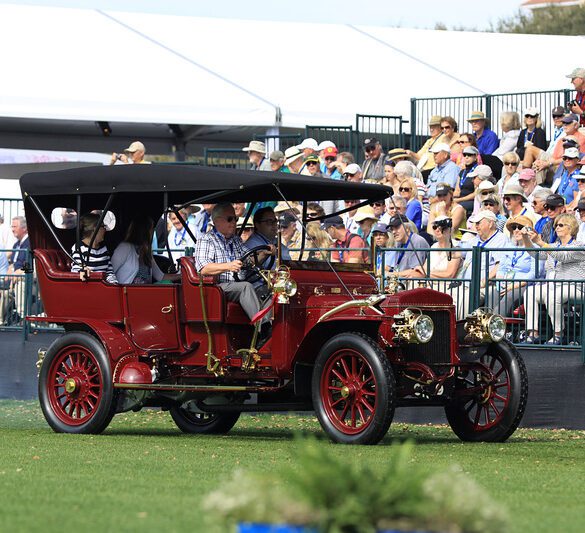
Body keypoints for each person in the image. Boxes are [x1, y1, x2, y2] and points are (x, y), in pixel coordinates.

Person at [195, 203, 271, 345]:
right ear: (217, 221)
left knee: (269, 289)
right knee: (245, 287)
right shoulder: (206, 240)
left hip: (236, 284)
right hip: (216, 287)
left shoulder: (235, 240)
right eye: (230, 219)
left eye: (235, 219)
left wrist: (264, 254)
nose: (234, 223)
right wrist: (228, 266)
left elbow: (249, 262)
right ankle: (263, 329)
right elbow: (203, 268)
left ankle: (271, 330)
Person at [523, 213, 585, 345]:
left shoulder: (579, 246)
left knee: (554, 295)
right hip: (554, 286)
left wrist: (540, 242)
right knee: (530, 292)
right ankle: (533, 333)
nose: (557, 227)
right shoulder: (553, 245)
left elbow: (563, 256)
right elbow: (536, 254)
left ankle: (558, 334)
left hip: (576, 287)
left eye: (561, 225)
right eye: (556, 225)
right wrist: (526, 238)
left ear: (571, 228)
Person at [450, 210, 510, 319]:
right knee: (447, 296)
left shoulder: (500, 239)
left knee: (464, 298)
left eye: (478, 223)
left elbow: (499, 265)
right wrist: (446, 236)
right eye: (475, 223)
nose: (476, 226)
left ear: (490, 223)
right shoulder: (475, 239)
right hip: (466, 284)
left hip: (485, 286)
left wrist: (484, 280)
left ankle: (460, 330)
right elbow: (455, 254)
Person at [487, 216, 536, 317]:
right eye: (514, 227)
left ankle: (494, 326)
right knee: (493, 294)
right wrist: (501, 282)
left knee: (509, 297)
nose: (517, 230)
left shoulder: (536, 248)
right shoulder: (509, 247)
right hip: (506, 283)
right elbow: (501, 269)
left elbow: (534, 274)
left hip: (525, 285)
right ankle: (487, 325)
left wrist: (513, 286)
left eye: (520, 227)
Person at [112, 214, 177, 285]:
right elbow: (110, 272)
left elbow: (161, 277)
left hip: (145, 292)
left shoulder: (146, 252)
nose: (153, 232)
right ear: (145, 231)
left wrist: (181, 276)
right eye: (152, 229)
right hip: (128, 293)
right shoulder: (124, 248)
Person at [411, 216, 461, 291]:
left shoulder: (456, 246)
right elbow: (423, 269)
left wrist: (426, 273)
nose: (437, 230)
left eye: (441, 227)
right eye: (435, 227)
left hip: (446, 287)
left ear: (449, 229)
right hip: (429, 283)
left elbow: (449, 275)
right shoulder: (434, 246)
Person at [70, 213, 117, 283]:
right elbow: (77, 271)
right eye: (103, 226)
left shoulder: (104, 249)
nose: (105, 230)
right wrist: (83, 271)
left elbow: (109, 273)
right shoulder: (79, 248)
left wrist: (114, 285)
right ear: (95, 229)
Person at [0, 216, 30, 324]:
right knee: (4, 294)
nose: (12, 229)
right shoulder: (16, 244)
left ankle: (24, 319)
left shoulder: (29, 244)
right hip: (12, 280)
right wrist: (10, 268)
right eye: (12, 226)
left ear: (24, 228)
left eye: (15, 226)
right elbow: (13, 263)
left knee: (19, 284)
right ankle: (0, 321)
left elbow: (32, 267)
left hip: (28, 280)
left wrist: (20, 272)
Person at [453, 145, 479, 214]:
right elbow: (457, 190)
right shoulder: (462, 172)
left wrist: (459, 200)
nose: (466, 157)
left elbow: (476, 193)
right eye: (464, 155)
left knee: (457, 208)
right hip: (460, 199)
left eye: (469, 155)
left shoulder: (478, 170)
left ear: (475, 156)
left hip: (472, 201)